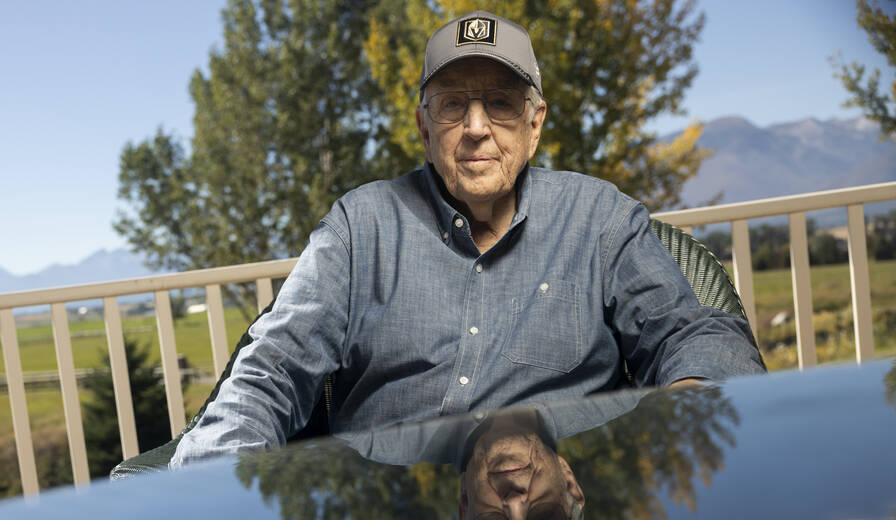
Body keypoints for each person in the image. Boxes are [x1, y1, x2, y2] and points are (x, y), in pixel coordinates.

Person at [172, 10, 764, 468]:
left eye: (500, 104)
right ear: (424, 127)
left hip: (557, 511)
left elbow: (691, 330)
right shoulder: (360, 226)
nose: (476, 128)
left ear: (534, 127)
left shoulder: (598, 217)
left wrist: (691, 402)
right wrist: (215, 487)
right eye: (454, 104)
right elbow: (272, 369)